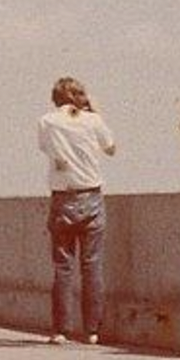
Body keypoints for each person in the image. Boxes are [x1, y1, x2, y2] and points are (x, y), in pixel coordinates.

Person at [38, 77, 116, 345]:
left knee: (63, 266)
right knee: (92, 265)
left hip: (63, 197)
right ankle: (92, 330)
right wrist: (94, 111)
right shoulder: (92, 121)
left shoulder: (47, 121)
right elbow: (111, 147)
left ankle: (61, 330)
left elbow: (46, 149)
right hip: (91, 195)